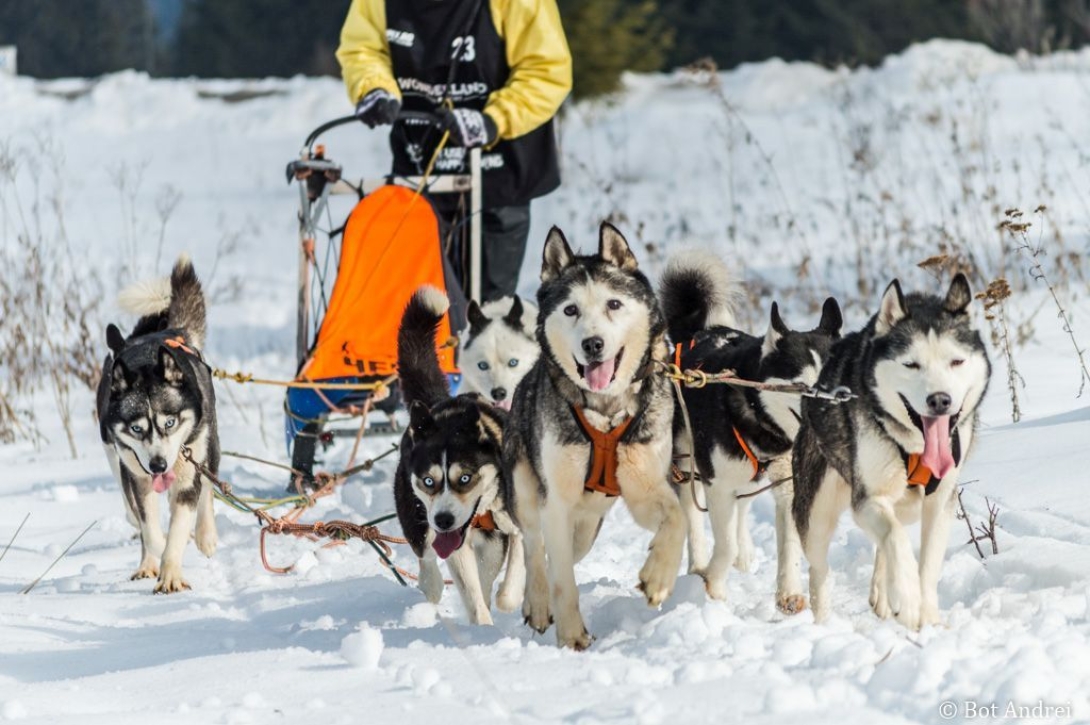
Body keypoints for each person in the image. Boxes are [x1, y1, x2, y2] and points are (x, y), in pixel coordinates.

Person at [336, 0, 572, 303]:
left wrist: (493, 119)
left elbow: (546, 69)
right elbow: (363, 49)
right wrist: (372, 88)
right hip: (419, 168)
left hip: (498, 172)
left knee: (489, 308)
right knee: (423, 305)